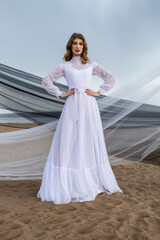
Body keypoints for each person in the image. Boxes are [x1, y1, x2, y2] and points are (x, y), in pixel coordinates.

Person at [37, 33, 123, 204]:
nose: (77, 46)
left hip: (89, 107)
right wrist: (61, 93)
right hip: (72, 106)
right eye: (75, 43)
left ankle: (90, 180)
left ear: (84, 47)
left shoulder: (91, 65)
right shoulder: (65, 66)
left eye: (81, 44)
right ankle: (68, 183)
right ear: (70, 46)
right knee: (69, 141)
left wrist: (99, 92)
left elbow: (111, 78)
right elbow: (46, 80)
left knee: (88, 141)